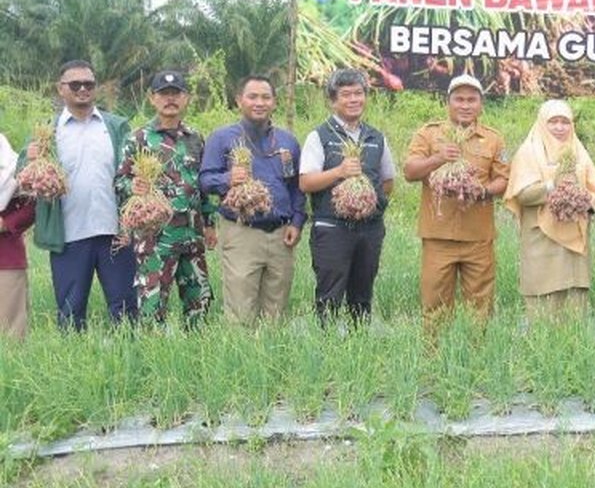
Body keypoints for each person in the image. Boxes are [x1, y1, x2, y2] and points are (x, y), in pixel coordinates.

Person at [27, 60, 134, 329]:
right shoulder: (47, 131)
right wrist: (30, 160)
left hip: (115, 234)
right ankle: (75, 363)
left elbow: (135, 174)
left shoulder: (116, 126)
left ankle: (131, 363)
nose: (83, 89)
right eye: (75, 84)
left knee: (126, 310)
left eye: (89, 84)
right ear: (60, 89)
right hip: (70, 236)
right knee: (70, 312)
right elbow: (24, 177)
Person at [199, 74, 306, 324]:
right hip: (241, 232)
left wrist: (297, 222)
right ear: (239, 101)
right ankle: (241, 358)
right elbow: (204, 181)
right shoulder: (223, 138)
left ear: (274, 102)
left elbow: (297, 187)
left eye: (266, 97)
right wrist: (228, 179)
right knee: (240, 309)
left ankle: (271, 359)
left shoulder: (287, 142)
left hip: (281, 235)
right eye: (253, 96)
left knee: (276, 310)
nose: (260, 102)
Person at [115, 71, 218, 326]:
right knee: (152, 307)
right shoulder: (138, 139)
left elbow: (202, 184)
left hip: (192, 236)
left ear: (186, 98)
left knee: (199, 305)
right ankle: (151, 361)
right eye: (163, 94)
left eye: (176, 94)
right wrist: (134, 186)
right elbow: (119, 182)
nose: (170, 99)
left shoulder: (196, 138)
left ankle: (196, 358)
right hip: (155, 238)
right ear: (152, 98)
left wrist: (210, 222)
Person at [404, 74, 509, 320]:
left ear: (481, 104)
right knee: (434, 307)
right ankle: (434, 357)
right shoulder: (428, 135)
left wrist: (482, 192)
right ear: (447, 102)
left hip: (478, 238)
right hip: (438, 237)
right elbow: (409, 171)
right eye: (459, 99)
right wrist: (438, 159)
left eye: (471, 100)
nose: (465, 105)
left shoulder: (493, 139)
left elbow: (504, 180)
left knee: (481, 308)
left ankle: (476, 357)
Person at [299, 69, 396, 325]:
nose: (354, 99)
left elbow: (387, 182)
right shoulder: (319, 136)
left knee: (362, 297)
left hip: (370, 230)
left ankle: (359, 351)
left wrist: (365, 204)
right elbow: (306, 182)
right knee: (329, 297)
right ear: (333, 100)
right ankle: (329, 352)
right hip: (332, 229)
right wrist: (339, 172)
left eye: (359, 93)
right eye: (346, 95)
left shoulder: (376, 137)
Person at [504, 99, 595, 315]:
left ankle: (573, 348)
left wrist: (580, 204)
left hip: (575, 242)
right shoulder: (528, 151)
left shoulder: (578, 151)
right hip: (541, 240)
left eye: (565, 122)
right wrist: (552, 186)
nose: (560, 128)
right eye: (553, 122)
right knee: (542, 305)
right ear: (542, 123)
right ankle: (543, 348)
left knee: (574, 305)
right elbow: (521, 194)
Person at [0, 132, 36, 339]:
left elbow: (32, 204)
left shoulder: (11, 164)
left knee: (10, 335)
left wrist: (6, 223)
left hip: (5, 258)